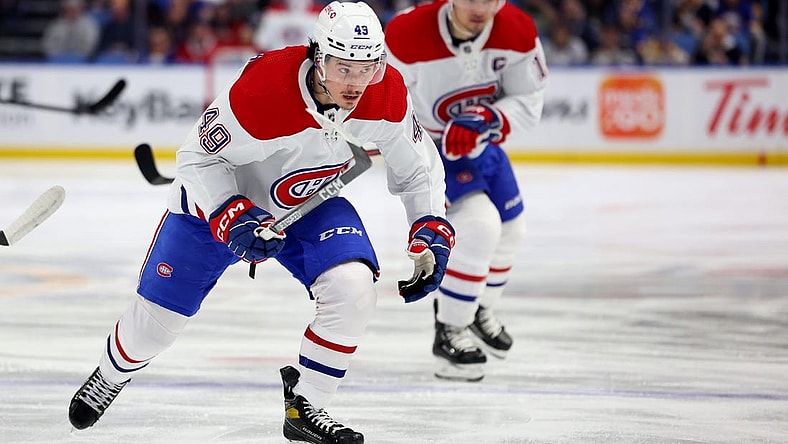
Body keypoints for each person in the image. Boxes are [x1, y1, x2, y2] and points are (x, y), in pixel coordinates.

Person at [67, 2, 453, 443]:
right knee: (151, 330)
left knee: (353, 288)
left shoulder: (386, 94)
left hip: (307, 203)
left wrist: (429, 225)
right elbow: (197, 159)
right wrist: (230, 212)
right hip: (215, 210)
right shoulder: (265, 89)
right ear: (318, 57)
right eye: (344, 68)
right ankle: (110, 374)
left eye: (366, 68)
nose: (355, 83)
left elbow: (418, 168)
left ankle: (307, 405)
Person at [384, 0, 548, 382]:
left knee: (512, 228)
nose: (482, 7)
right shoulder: (406, 34)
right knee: (480, 224)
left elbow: (529, 99)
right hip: (428, 150)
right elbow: (381, 101)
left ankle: (477, 310)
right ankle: (450, 330)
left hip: (482, 146)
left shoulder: (518, 29)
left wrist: (490, 117)